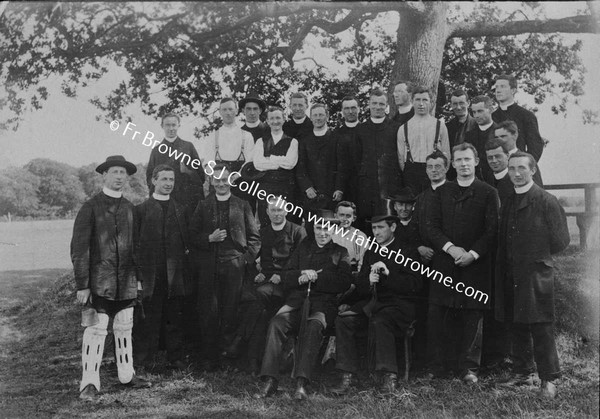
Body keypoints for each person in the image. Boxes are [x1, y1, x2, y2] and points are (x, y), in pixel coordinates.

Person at [72, 155, 151, 401]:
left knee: (125, 328)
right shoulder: (90, 207)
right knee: (96, 331)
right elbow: (79, 249)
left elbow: (137, 247)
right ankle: (89, 383)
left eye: (123, 173)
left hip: (126, 281)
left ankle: (127, 375)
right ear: (104, 175)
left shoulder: (130, 208)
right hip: (99, 282)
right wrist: (83, 285)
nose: (119, 176)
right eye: (114, 171)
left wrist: (137, 280)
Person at [255, 210, 352, 401]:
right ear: (313, 229)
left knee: (313, 326)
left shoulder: (340, 252)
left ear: (333, 230)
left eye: (327, 229)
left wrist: (317, 277)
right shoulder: (303, 248)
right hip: (297, 304)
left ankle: (302, 382)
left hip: (322, 307)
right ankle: (270, 380)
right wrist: (302, 274)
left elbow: (344, 281)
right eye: (318, 228)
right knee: (276, 323)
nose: (323, 233)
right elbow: (286, 275)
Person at [495, 151, 569, 399]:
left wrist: (536, 256)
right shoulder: (508, 200)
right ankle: (522, 372)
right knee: (517, 323)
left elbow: (561, 241)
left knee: (540, 325)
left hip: (536, 272)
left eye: (522, 169)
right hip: (512, 272)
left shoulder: (546, 200)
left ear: (533, 170)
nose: (516, 173)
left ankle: (549, 379)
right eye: (512, 168)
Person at [425, 143, 499, 384]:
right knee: (440, 313)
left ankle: (469, 369)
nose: (464, 164)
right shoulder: (442, 192)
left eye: (468, 159)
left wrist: (473, 254)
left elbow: (492, 231)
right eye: (459, 160)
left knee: (472, 316)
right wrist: (450, 248)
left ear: (476, 161)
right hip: (445, 262)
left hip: (475, 265)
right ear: (453, 164)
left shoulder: (488, 192)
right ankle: (440, 367)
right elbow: (431, 227)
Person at [330, 213, 422, 395]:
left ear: (393, 227)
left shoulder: (407, 251)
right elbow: (361, 286)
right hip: (373, 304)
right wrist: (369, 281)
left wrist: (387, 274)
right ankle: (348, 375)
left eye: (381, 227)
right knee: (344, 321)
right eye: (374, 228)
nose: (376, 232)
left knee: (381, 320)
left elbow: (415, 286)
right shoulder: (371, 251)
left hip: (399, 307)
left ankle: (388, 377)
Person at [223, 198, 307, 374]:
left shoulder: (298, 231)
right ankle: (253, 361)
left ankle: (239, 340)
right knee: (259, 310)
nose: (277, 214)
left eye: (280, 210)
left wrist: (283, 276)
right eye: (273, 210)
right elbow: (254, 255)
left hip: (289, 283)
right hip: (267, 281)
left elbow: (301, 261)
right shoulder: (263, 232)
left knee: (258, 296)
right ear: (267, 212)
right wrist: (257, 273)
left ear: (286, 211)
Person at [189, 164, 260, 370]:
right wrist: (208, 238)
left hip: (235, 265)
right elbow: (192, 235)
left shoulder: (242, 204)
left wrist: (246, 260)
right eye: (217, 180)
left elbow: (255, 238)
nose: (221, 183)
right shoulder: (203, 205)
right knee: (209, 312)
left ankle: (229, 357)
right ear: (211, 181)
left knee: (231, 311)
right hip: (209, 265)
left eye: (225, 179)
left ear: (231, 181)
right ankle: (209, 358)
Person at [133, 164, 191, 371]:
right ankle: (144, 360)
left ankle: (175, 358)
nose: (168, 184)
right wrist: (139, 276)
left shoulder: (180, 209)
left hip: (175, 275)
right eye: (164, 179)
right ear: (154, 181)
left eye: (171, 180)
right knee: (148, 318)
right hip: (151, 275)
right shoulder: (141, 210)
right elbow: (135, 247)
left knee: (174, 317)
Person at [355, 88, 403, 231]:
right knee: (367, 226)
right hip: (366, 188)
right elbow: (357, 159)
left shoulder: (395, 128)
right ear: (369, 105)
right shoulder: (360, 129)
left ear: (387, 106)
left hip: (389, 186)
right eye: (374, 103)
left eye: (381, 104)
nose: (377, 107)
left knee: (388, 225)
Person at [491, 74, 544, 185]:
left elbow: (536, 147)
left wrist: (522, 167)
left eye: (503, 86)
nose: (498, 90)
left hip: (521, 173)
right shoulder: (492, 117)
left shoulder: (526, 116)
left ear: (513, 90)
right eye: (496, 87)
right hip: (497, 175)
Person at [397, 86, 450, 195]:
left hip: (434, 172)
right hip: (412, 174)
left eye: (425, 100)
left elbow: (447, 155)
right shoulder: (403, 128)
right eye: (418, 100)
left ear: (431, 102)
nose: (421, 104)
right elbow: (401, 159)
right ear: (412, 101)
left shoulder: (440, 126)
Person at [253, 106, 299, 227]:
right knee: (266, 219)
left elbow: (290, 164)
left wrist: (269, 159)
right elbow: (258, 164)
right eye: (271, 118)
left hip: (286, 186)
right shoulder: (260, 141)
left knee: (287, 220)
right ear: (267, 121)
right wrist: (280, 161)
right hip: (265, 186)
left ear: (284, 119)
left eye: (278, 118)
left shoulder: (292, 141)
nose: (275, 121)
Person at [146, 113, 205, 210]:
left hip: (187, 202)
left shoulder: (188, 147)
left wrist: (187, 171)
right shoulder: (156, 151)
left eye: (174, 125)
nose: (171, 128)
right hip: (165, 202)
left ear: (179, 125)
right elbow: (150, 178)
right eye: (167, 125)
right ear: (162, 126)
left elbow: (201, 177)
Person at [296, 103, 343, 213]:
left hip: (332, 194)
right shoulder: (304, 141)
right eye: (315, 115)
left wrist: (339, 189)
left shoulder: (336, 139)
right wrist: (307, 187)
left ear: (327, 116)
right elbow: (300, 168)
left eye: (321, 115)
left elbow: (342, 167)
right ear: (311, 117)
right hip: (311, 194)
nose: (318, 118)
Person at [202, 98, 255, 174]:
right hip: (219, 181)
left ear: (236, 111)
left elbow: (249, 161)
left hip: (240, 180)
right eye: (224, 110)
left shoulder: (247, 136)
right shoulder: (213, 136)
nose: (228, 113)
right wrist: (220, 177)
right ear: (220, 112)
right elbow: (208, 162)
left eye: (230, 109)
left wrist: (235, 177)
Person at [494, 120, 543, 186]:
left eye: (503, 136)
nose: (499, 140)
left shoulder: (526, 160)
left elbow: (537, 190)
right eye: (496, 137)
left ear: (515, 135)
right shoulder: (494, 160)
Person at [334, 96, 362, 204]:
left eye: (353, 108)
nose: (350, 112)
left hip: (363, 186)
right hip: (343, 187)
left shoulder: (366, 131)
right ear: (342, 111)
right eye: (346, 108)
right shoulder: (336, 134)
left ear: (359, 109)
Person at [464, 95, 498, 184]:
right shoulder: (468, 136)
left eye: (480, 111)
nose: (476, 116)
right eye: (474, 112)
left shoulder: (500, 133)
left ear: (490, 110)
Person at [445, 89, 477, 181]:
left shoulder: (477, 125)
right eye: (455, 104)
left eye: (461, 103)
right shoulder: (447, 127)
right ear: (451, 105)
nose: (458, 107)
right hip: (453, 175)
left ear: (468, 103)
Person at [388, 187, 420, 254]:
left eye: (408, 205)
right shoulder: (390, 226)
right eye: (400, 205)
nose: (404, 208)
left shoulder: (420, 225)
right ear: (395, 206)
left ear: (413, 206)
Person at [484, 138, 513, 208]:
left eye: (498, 156)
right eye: (490, 158)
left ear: (507, 155)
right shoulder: (487, 179)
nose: (494, 161)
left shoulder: (515, 179)